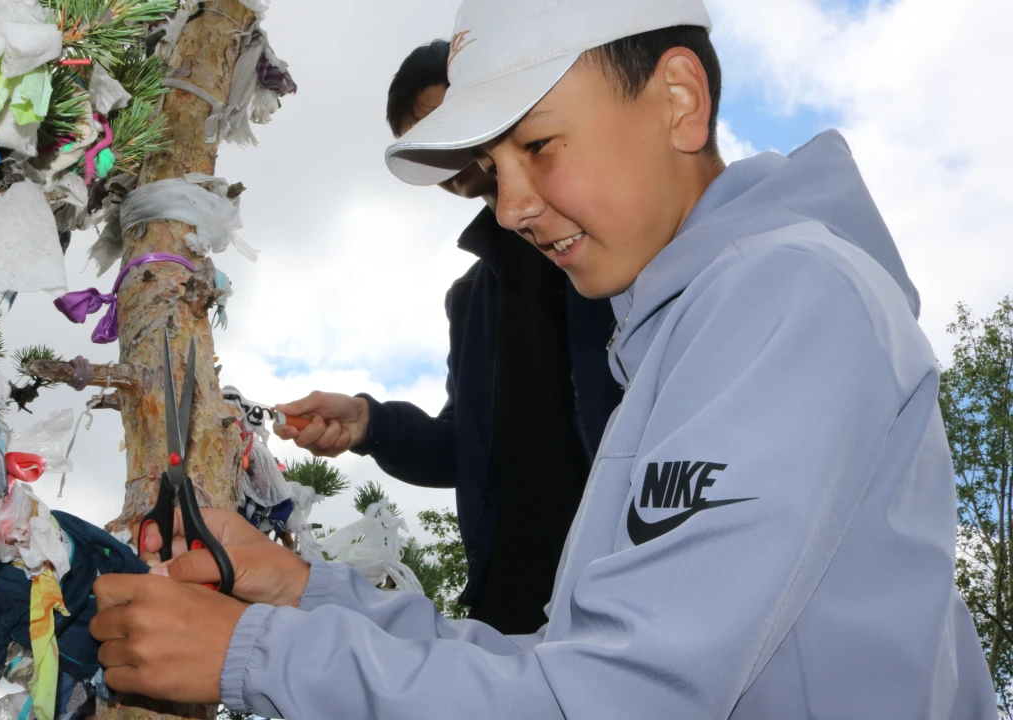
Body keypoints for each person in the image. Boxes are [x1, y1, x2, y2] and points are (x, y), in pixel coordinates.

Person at [90, 0, 998, 717]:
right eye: (489, 171)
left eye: (537, 146)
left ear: (679, 100)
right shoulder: (676, 332)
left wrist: (250, 654)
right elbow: (564, 668)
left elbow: (614, 703)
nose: (512, 207)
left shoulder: (786, 300)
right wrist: (298, 592)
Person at [269, 39, 622, 635]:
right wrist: (368, 422)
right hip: (515, 597)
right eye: (423, 144)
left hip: (627, 562)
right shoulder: (471, 297)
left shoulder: (611, 230)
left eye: (450, 122)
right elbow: (463, 448)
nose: (444, 154)